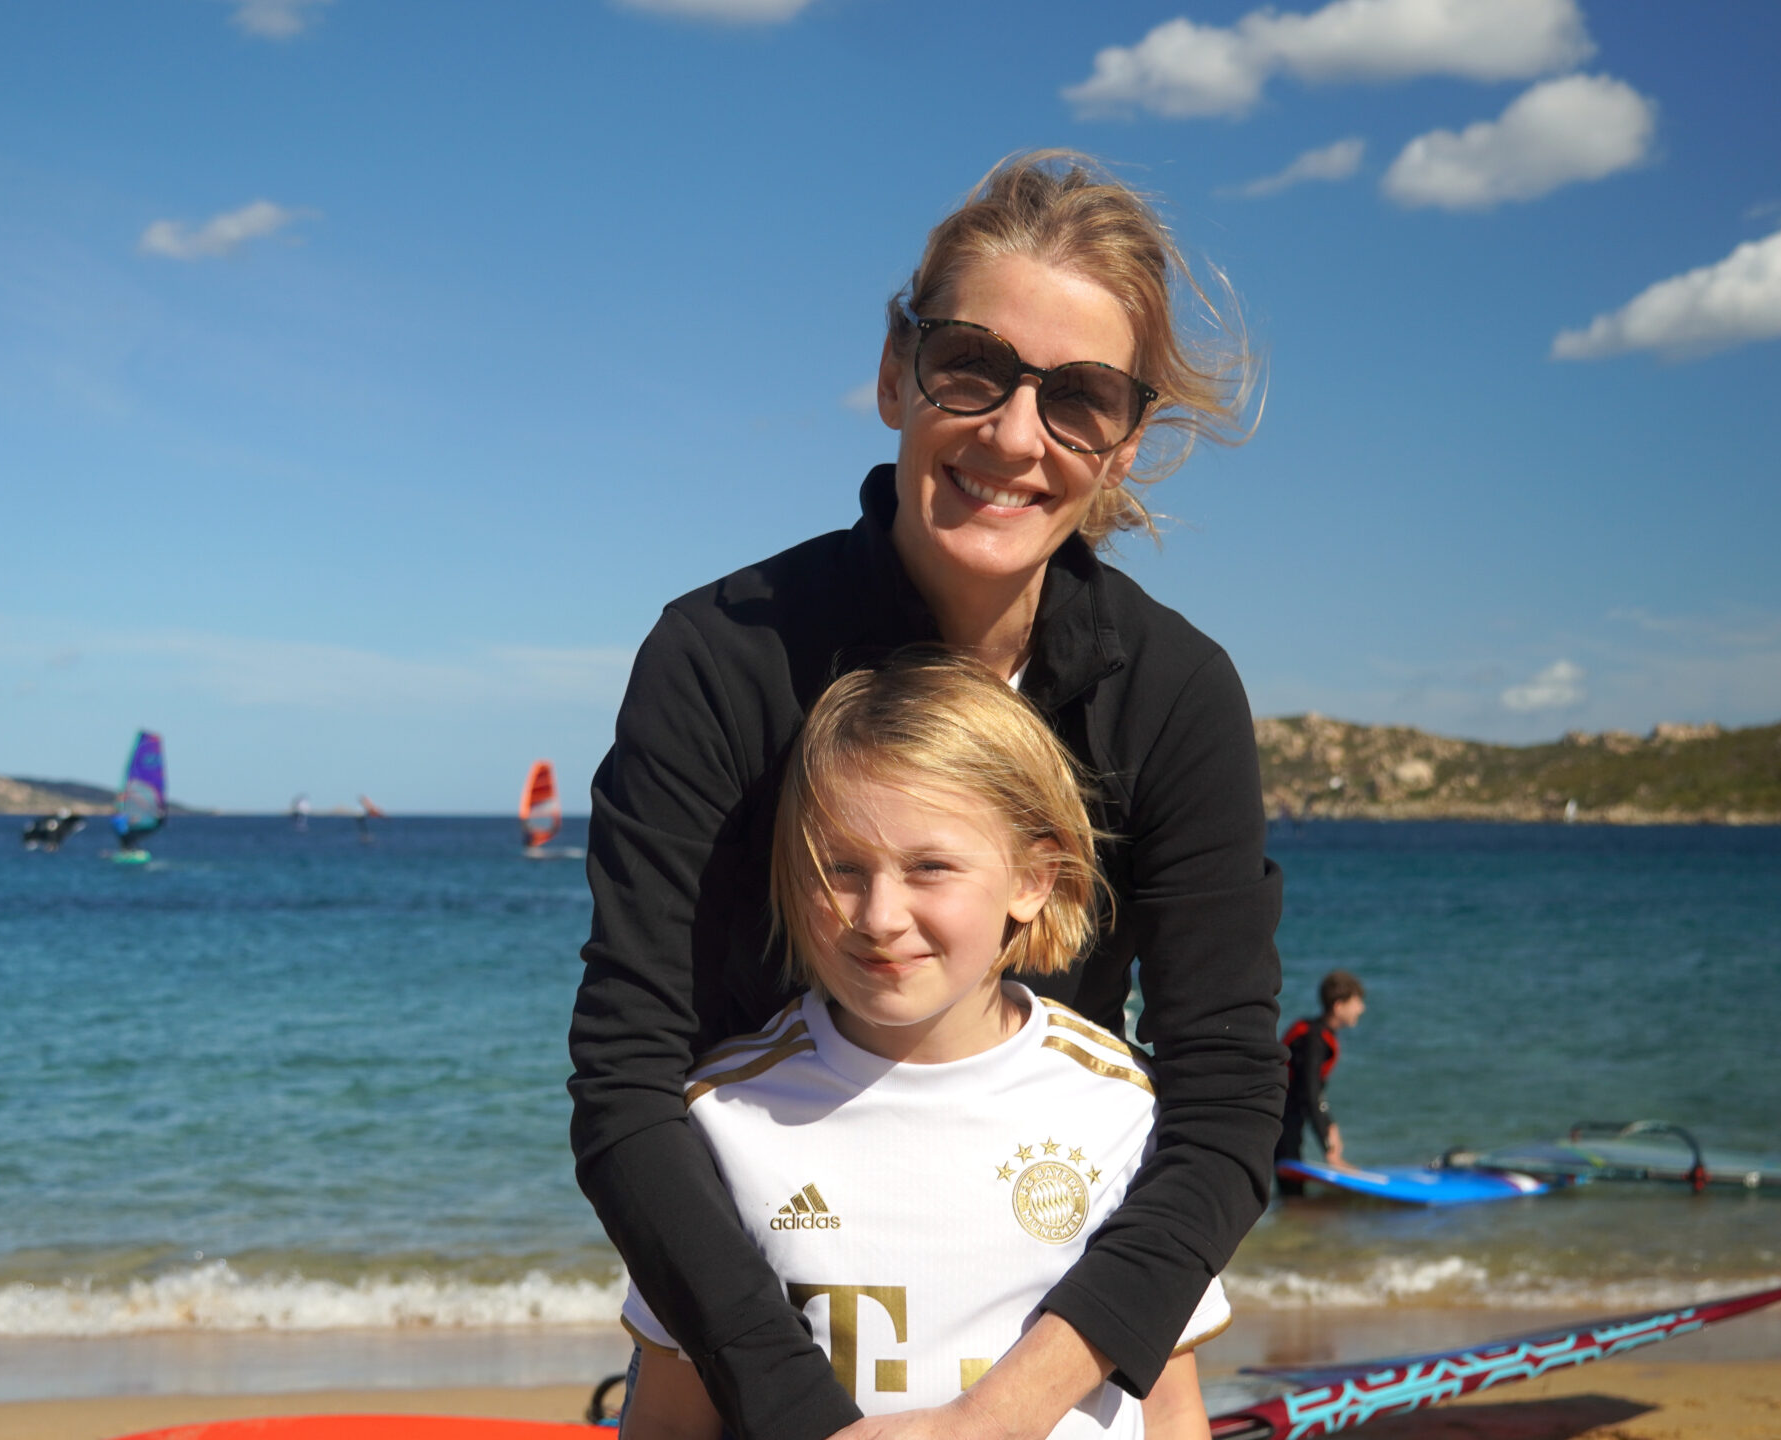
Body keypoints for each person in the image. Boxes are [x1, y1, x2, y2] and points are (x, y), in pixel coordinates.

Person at [569, 151, 1286, 1440]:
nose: (1013, 435)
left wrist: (996, 1418)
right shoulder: (719, 661)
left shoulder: (1173, 696)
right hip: (760, 1348)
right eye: (972, 366)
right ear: (896, 371)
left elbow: (1222, 1108)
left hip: (1040, 1345)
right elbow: (628, 1087)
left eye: (1079, 398)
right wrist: (812, 1422)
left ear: (1125, 441)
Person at [617, 654, 1226, 1440]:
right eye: (840, 867)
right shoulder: (721, 1118)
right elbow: (670, 1421)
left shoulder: (1122, 1109)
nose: (879, 916)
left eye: (930, 867)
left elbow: (1170, 1410)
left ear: (1033, 877)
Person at [1274, 971, 1366, 1195]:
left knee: (1292, 1191)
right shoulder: (1314, 1040)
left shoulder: (1316, 1033)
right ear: (1338, 1006)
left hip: (1288, 1112)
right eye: (1357, 1002)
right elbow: (1310, 1091)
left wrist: (1328, 1124)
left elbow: (1313, 1093)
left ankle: (1294, 1212)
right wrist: (1329, 1148)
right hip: (1279, 1117)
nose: (1362, 1008)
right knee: (1291, 1188)